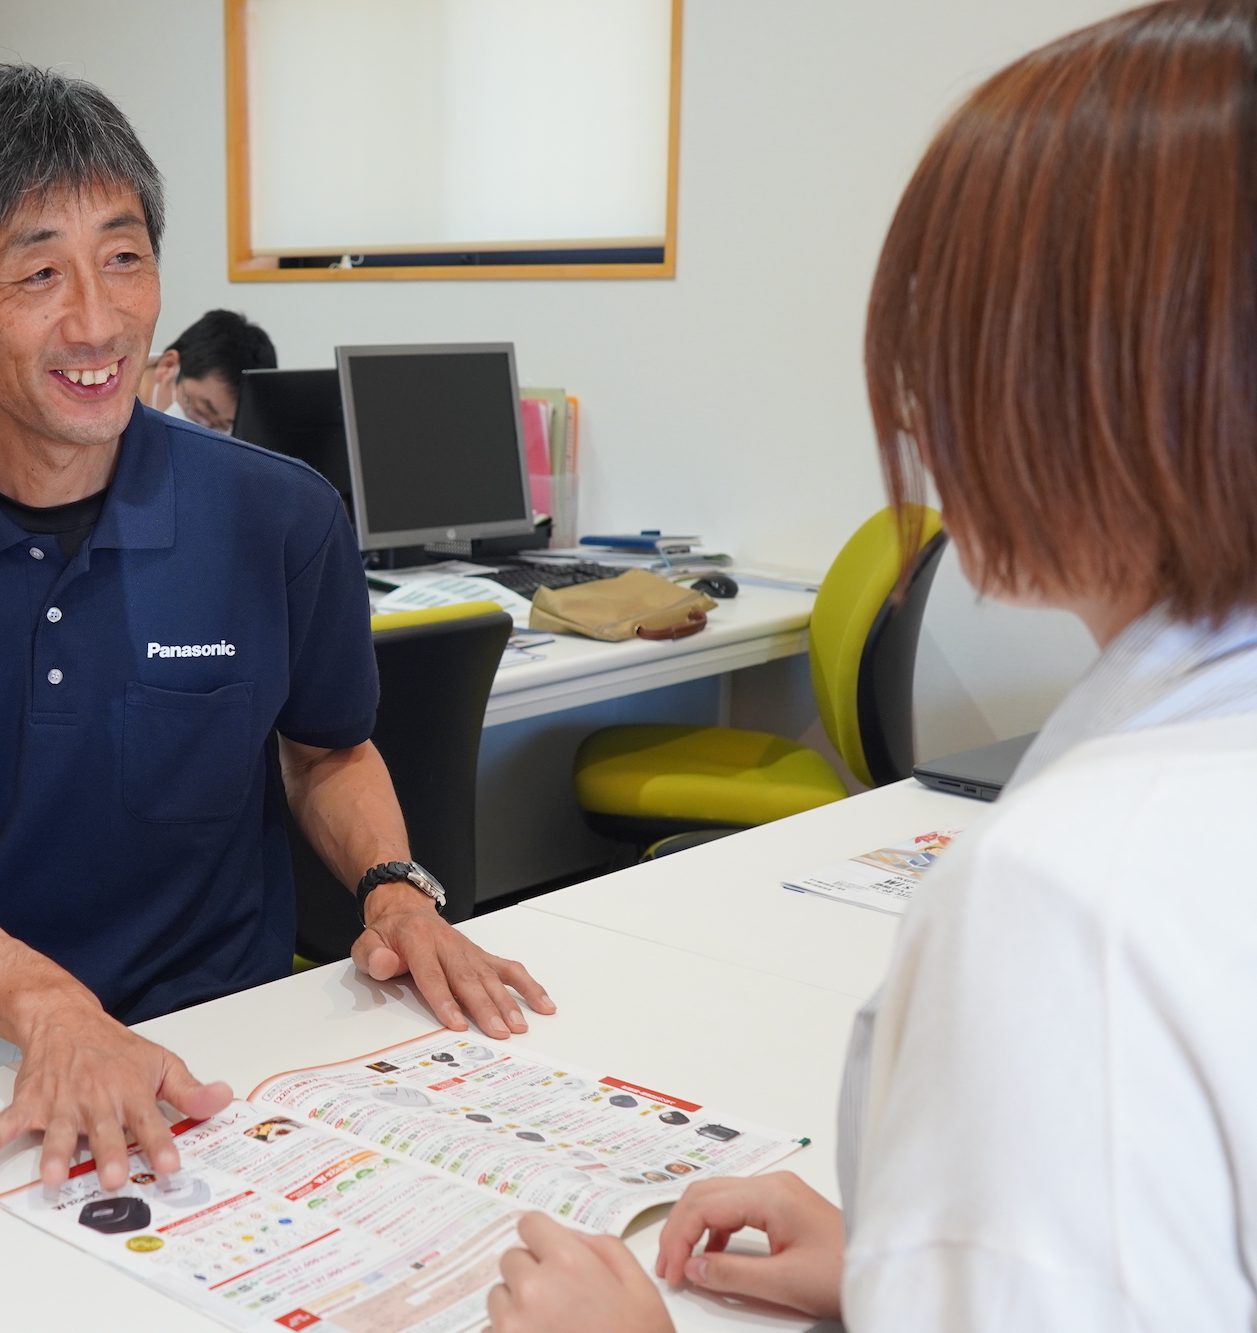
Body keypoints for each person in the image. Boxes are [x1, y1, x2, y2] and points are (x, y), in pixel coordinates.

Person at [483, 3, 1257, 1329]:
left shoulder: (1081, 901)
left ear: (1130, 376)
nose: (916, 407)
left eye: (955, 339)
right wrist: (918, 1262)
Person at [0, 64, 553, 1193]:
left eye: (123, 256)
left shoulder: (278, 515)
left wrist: (393, 884)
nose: (97, 321)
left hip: (225, 1047)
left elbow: (326, 749)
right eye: (38, 271)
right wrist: (54, 1012)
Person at [140, 308, 276, 432]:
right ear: (168, 366)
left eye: (222, 425)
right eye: (200, 412)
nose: (206, 432)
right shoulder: (119, 405)